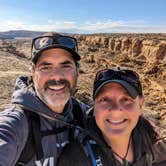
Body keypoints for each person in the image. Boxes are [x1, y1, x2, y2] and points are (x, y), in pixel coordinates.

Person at [0, 32, 89, 166]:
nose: (57, 76)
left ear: (77, 71)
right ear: (33, 73)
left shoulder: (82, 113)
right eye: (46, 67)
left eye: (66, 66)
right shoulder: (16, 123)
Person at [57, 68, 166, 166]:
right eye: (104, 100)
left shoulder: (158, 147)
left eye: (126, 99)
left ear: (140, 105)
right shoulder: (75, 158)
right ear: (94, 106)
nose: (115, 110)